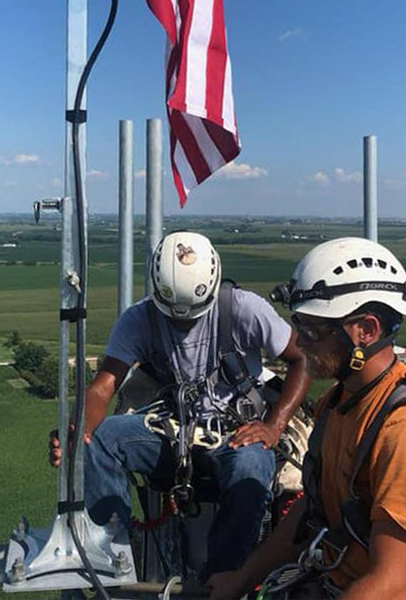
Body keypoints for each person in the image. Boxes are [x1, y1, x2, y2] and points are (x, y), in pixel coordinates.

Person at [208, 237, 406, 600]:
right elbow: (309, 513)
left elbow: (392, 584)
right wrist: (241, 578)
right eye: (300, 326)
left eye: (313, 331)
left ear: (367, 331)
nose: (301, 344)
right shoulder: (338, 402)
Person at [50, 230, 310, 579]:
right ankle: (114, 561)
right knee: (101, 440)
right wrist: (79, 428)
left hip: (235, 431)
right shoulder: (140, 318)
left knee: (251, 465)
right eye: (173, 317)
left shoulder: (243, 308)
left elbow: (302, 359)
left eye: (191, 316)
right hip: (173, 427)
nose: (183, 323)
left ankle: (224, 579)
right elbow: (104, 386)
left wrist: (274, 425)